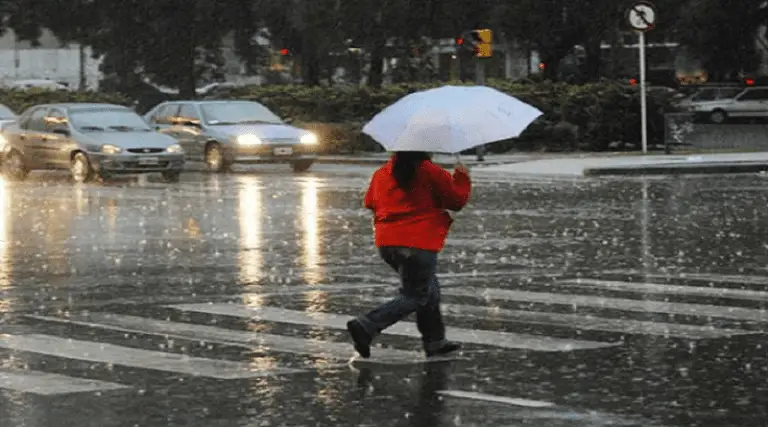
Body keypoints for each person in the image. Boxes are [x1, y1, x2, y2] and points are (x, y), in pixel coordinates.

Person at [346, 151, 471, 358]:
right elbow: (456, 201)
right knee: (416, 295)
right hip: (419, 242)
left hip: (388, 243)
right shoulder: (429, 171)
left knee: (429, 290)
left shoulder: (382, 173)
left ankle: (435, 341)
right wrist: (462, 178)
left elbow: (369, 202)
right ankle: (368, 324)